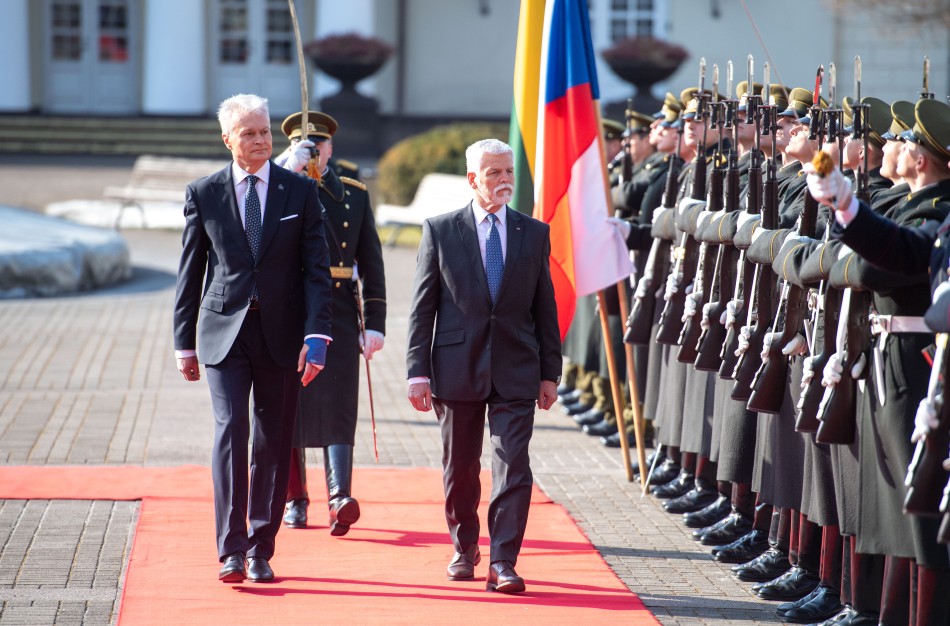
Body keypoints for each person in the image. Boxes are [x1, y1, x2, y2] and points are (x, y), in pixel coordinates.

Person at [173, 93, 333, 584]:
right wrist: (184, 342)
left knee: (272, 438)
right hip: (223, 332)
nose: (261, 140)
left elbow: (317, 272)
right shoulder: (204, 193)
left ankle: (262, 546)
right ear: (228, 140)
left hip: (282, 334)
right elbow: (190, 271)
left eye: (264, 131)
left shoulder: (299, 192)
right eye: (250, 133)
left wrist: (318, 334)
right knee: (230, 433)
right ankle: (231, 549)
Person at [406, 138, 561, 594]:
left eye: (509, 172)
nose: (504, 181)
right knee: (460, 468)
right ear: (473, 179)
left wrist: (550, 372)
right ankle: (464, 547)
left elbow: (545, 308)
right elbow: (422, 309)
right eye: (494, 173)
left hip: (517, 367)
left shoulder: (533, 233)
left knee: (513, 464)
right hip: (456, 366)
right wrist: (417, 371)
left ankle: (504, 561)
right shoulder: (440, 230)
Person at [274, 111, 386, 536]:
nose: (315, 152)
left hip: (339, 310)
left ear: (331, 149)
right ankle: (294, 498)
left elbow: (372, 263)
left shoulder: (353, 194)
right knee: (289, 404)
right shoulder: (278, 188)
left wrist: (374, 321)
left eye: (320, 146)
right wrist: (289, 171)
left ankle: (340, 497)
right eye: (306, 146)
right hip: (289, 309)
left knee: (340, 404)